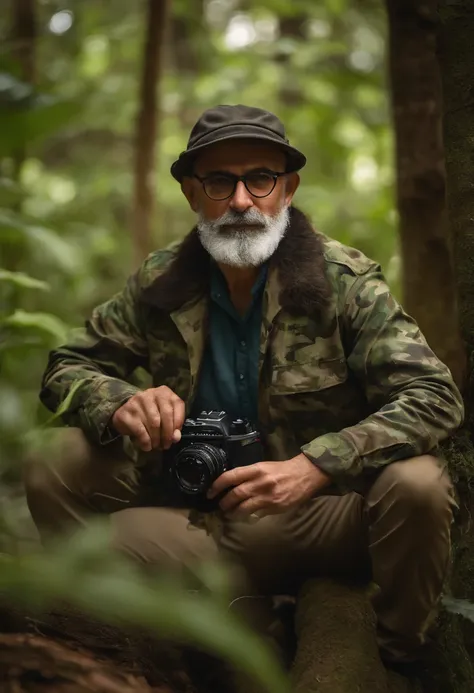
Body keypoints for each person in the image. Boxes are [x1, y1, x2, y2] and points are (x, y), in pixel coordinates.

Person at [24, 104, 464, 667]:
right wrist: (122, 401)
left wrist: (315, 465)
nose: (240, 201)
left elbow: (433, 396)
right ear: (191, 193)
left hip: (322, 519)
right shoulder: (161, 282)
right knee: (53, 457)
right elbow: (66, 365)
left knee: (419, 484)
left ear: (287, 190)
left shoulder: (344, 283)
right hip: (197, 525)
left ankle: (394, 654)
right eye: (218, 181)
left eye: (260, 179)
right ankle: (141, 637)